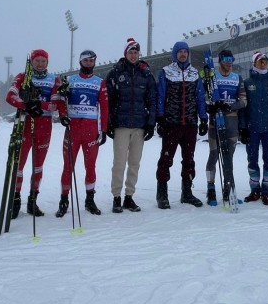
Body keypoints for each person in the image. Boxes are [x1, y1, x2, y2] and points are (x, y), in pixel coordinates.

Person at [6, 49, 63, 218]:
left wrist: (37, 104)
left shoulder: (54, 79)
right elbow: (10, 97)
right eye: (37, 61)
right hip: (25, 123)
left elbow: (54, 105)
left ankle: (32, 199)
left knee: (38, 166)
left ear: (47, 63)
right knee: (19, 165)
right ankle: (15, 199)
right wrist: (26, 105)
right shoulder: (22, 76)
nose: (40, 64)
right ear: (31, 61)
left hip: (44, 125)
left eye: (43, 61)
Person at [105, 37, 157, 213]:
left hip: (139, 125)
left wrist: (150, 124)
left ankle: (129, 196)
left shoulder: (146, 74)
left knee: (134, 163)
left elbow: (152, 99)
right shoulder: (115, 73)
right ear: (125, 53)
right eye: (130, 52)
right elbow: (108, 100)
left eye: (136, 52)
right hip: (121, 125)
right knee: (119, 163)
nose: (133, 55)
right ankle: (116, 197)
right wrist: (108, 123)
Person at [54, 50, 109, 217]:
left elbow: (105, 108)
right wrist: (63, 116)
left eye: (91, 60)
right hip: (73, 130)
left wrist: (104, 130)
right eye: (86, 60)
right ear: (80, 62)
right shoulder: (70, 80)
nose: (89, 63)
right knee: (68, 166)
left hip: (91, 130)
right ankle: (64, 200)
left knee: (90, 166)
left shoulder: (100, 82)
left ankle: (90, 200)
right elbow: (61, 101)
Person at [155, 41, 208, 209]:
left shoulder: (194, 73)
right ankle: (162, 193)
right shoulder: (166, 72)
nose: (183, 54)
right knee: (166, 158)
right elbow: (161, 96)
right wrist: (161, 118)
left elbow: (200, 97)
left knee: (189, 159)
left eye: (185, 52)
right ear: (175, 54)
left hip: (190, 123)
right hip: (172, 123)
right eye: (180, 52)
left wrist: (203, 118)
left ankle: (187, 192)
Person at [238, 51, 268, 205]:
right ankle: (255, 190)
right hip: (252, 129)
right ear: (254, 64)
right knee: (252, 160)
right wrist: (243, 128)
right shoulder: (247, 82)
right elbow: (243, 109)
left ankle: (267, 191)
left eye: (265, 61)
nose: (263, 63)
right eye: (260, 61)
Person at [204, 49, 246, 205]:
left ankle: (229, 189)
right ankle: (211, 189)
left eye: (231, 59)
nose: (229, 62)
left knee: (229, 157)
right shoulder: (212, 75)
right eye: (226, 59)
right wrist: (211, 106)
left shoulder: (237, 77)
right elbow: (205, 95)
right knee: (214, 155)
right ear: (220, 60)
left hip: (231, 121)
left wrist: (231, 106)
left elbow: (243, 100)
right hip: (216, 120)